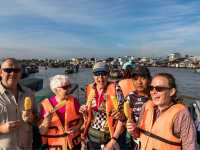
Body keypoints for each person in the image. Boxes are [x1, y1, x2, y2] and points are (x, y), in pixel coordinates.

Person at [127, 73, 198, 150]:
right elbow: (139, 135)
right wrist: (133, 130)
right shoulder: (146, 106)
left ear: (172, 92)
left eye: (159, 89)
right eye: (151, 88)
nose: (153, 92)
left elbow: (190, 146)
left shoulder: (181, 114)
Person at [80, 62, 125, 150]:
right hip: (91, 137)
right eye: (97, 74)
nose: (100, 78)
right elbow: (89, 115)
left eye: (103, 74)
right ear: (93, 76)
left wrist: (113, 141)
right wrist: (84, 111)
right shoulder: (89, 88)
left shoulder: (116, 89)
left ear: (108, 75)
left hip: (109, 137)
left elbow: (122, 118)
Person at [38, 75, 83, 150]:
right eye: (65, 87)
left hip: (74, 144)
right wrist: (47, 120)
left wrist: (77, 127)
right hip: (56, 146)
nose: (69, 89)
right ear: (55, 90)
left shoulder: (74, 101)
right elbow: (42, 131)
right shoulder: (45, 105)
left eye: (69, 86)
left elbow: (81, 119)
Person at [0, 58, 35, 150]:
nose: (13, 73)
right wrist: (1, 129)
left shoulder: (29, 93)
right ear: (1, 72)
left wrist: (31, 118)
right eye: (8, 70)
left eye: (17, 70)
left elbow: (37, 118)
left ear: (20, 73)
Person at [124, 66, 151, 148]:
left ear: (149, 79)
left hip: (154, 139)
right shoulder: (130, 97)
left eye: (143, 78)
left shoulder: (156, 95)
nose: (139, 82)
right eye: (135, 79)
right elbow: (127, 117)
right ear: (132, 81)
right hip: (137, 139)